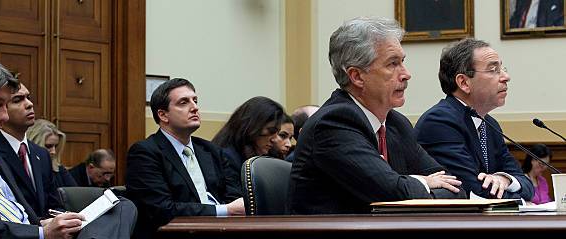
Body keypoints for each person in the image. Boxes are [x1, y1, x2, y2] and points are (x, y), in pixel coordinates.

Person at [0, 56, 136, 239]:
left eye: (6, 106)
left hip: (33, 236)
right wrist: (40, 233)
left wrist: (44, 225)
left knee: (121, 206)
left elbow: (15, 207)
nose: (4, 116)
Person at [287, 17, 463, 215]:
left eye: (402, 62)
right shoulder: (334, 123)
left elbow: (455, 188)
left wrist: (415, 186)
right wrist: (425, 181)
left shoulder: (396, 123)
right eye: (392, 64)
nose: (406, 74)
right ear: (357, 76)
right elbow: (391, 193)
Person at [126, 78, 244, 239]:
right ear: (163, 115)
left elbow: (235, 197)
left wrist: (228, 210)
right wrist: (224, 210)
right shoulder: (145, 153)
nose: (195, 107)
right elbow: (161, 210)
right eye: (183, 102)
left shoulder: (211, 151)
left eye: (195, 101)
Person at [416, 38, 534, 200]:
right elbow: (474, 191)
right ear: (464, 82)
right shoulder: (439, 122)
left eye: (502, 68)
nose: (506, 77)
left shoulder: (489, 124)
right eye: (493, 70)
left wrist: (505, 179)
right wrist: (520, 199)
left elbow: (527, 185)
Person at [0, 83, 62, 218]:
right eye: (18, 100)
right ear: (1, 109)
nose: (29, 104)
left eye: (28, 97)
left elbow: (53, 205)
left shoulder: (41, 154)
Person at [212, 96, 285, 172]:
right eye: (271, 130)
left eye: (277, 132)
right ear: (252, 126)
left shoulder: (267, 157)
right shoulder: (226, 158)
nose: (275, 139)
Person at [27, 118, 77, 188]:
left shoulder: (58, 169)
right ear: (34, 143)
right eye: (48, 146)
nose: (53, 152)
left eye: (56, 146)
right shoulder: (26, 169)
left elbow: (74, 192)